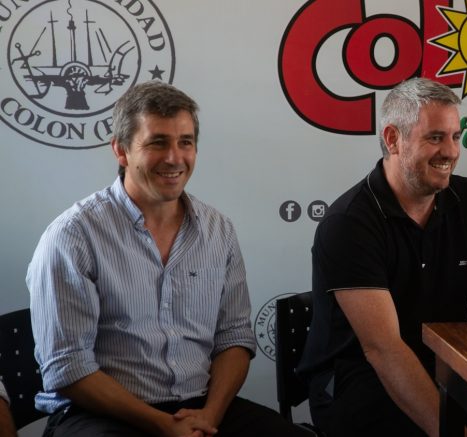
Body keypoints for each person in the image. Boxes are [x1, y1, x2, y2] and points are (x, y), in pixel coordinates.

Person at [26, 82, 308, 437]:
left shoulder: (218, 230)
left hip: (200, 407)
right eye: (157, 143)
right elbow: (67, 368)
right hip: (99, 413)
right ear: (121, 150)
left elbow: (234, 337)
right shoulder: (72, 236)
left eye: (185, 142)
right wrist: (163, 426)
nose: (174, 158)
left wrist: (209, 417)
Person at [297, 77, 467, 437]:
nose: (450, 151)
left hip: (444, 371)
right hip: (359, 382)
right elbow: (384, 350)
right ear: (392, 139)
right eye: (435, 138)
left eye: (455, 137)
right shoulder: (349, 223)